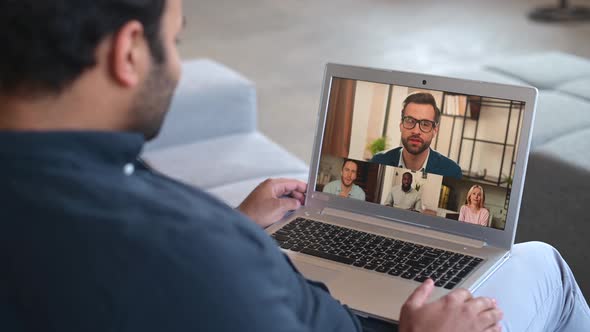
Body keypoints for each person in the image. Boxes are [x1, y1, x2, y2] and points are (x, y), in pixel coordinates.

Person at [1, 1, 589, 331]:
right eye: (175, 41)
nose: (176, 68)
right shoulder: (187, 259)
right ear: (128, 51)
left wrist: (237, 223)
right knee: (544, 265)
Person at [371, 93, 462, 179]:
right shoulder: (378, 161)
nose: (416, 131)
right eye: (410, 121)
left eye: (425, 124)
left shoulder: (452, 172)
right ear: (401, 125)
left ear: (435, 130)